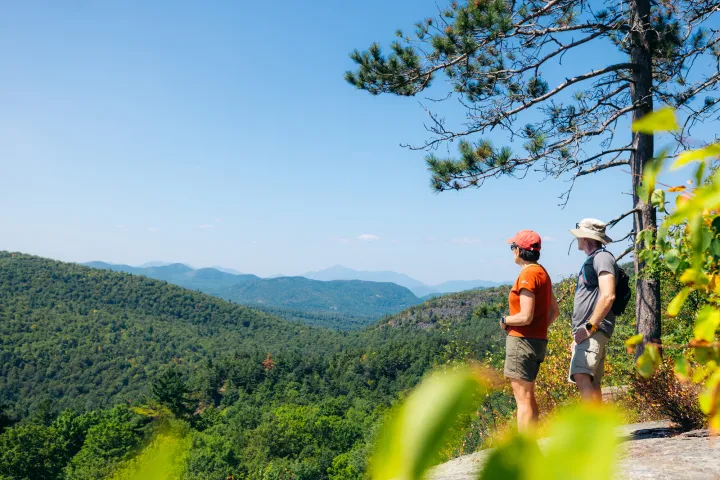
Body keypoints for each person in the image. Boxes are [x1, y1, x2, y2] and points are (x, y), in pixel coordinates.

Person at [500, 230, 560, 430]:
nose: (512, 251)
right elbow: (555, 311)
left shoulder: (528, 274)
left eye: (512, 247)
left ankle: (523, 452)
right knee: (529, 397)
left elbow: (525, 316)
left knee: (522, 400)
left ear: (519, 250)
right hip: (537, 342)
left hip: (522, 342)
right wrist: (539, 329)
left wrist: (505, 320)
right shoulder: (542, 272)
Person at [568, 218, 617, 403]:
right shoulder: (595, 259)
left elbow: (608, 295)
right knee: (592, 381)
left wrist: (589, 327)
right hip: (591, 330)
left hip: (593, 329)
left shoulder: (602, 258)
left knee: (581, 375)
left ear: (586, 238)